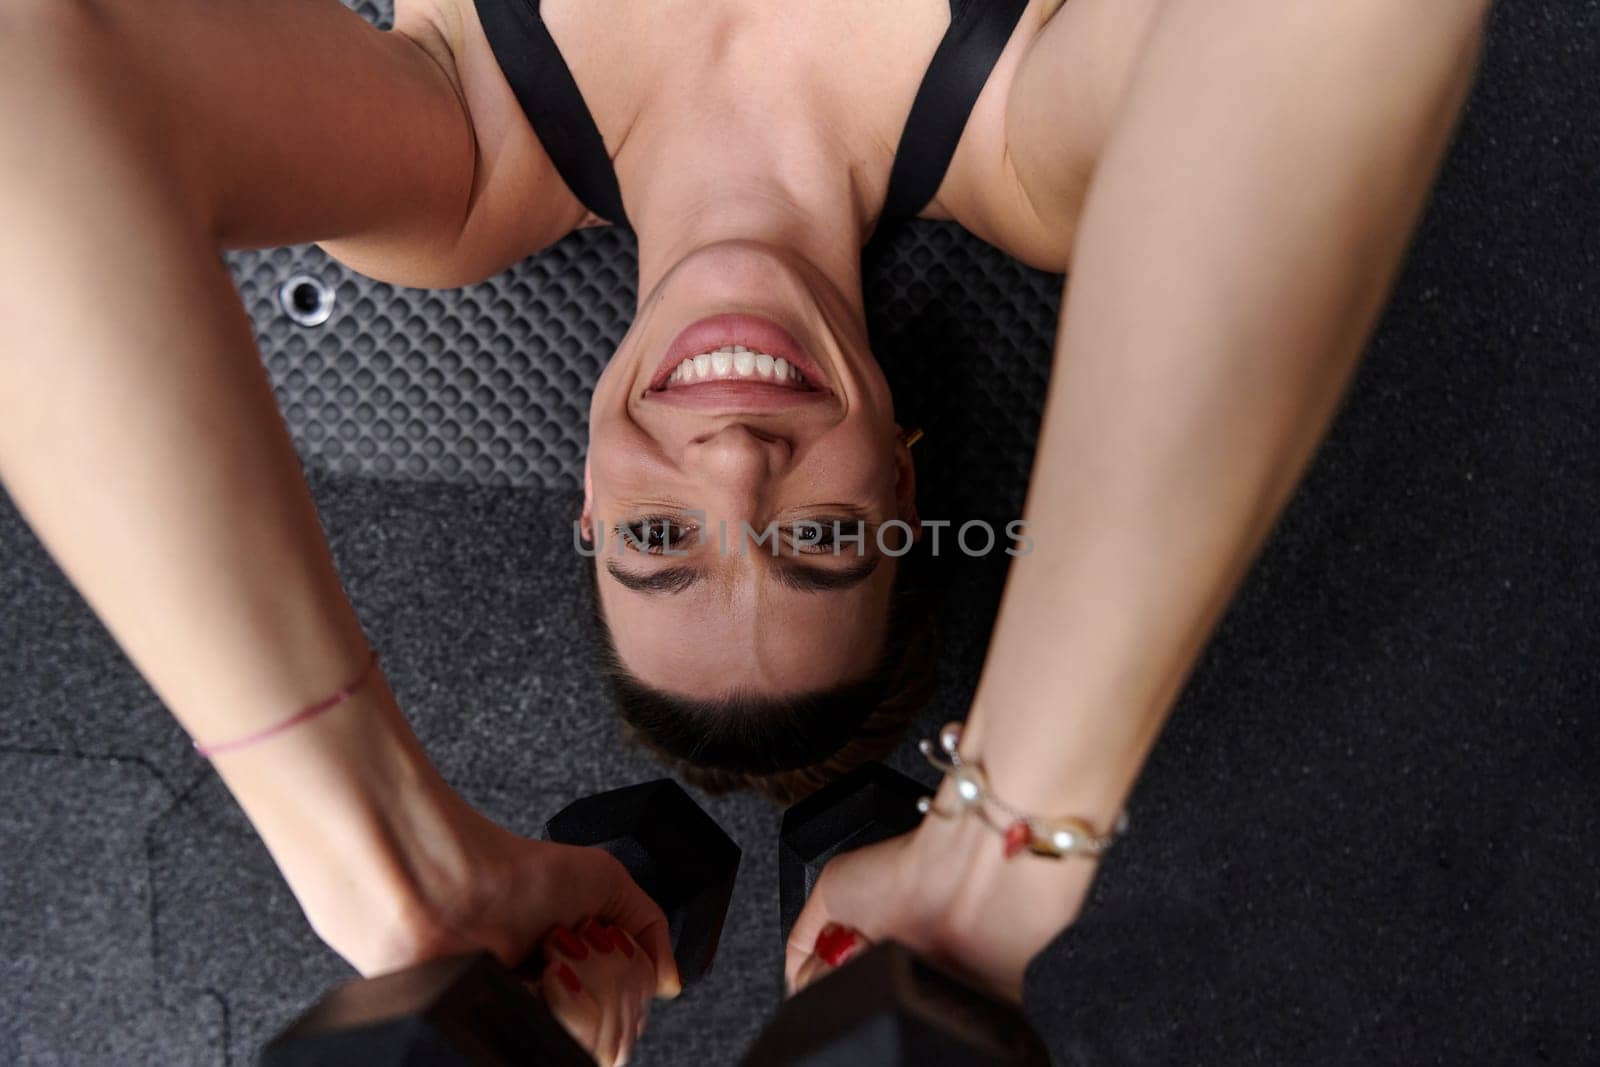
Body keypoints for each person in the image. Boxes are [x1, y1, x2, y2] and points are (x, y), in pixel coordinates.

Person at [0, 0, 1494, 1058]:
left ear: (586, 505)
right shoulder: (1029, 143)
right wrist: (1007, 850)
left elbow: (28, 61)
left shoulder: (451, 165)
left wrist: (383, 859)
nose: (728, 467)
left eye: (658, 546)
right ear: (904, 486)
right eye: (822, 542)